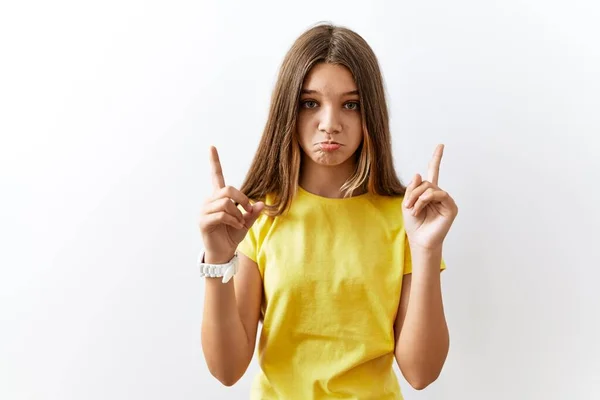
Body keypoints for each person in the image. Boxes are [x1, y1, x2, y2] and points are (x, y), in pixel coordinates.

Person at [198, 22, 459, 400]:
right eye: (310, 103)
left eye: (350, 104)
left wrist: (426, 250)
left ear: (370, 113)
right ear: (288, 108)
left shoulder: (405, 219)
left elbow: (421, 373)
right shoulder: (258, 215)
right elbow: (227, 370)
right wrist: (218, 259)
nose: (330, 124)